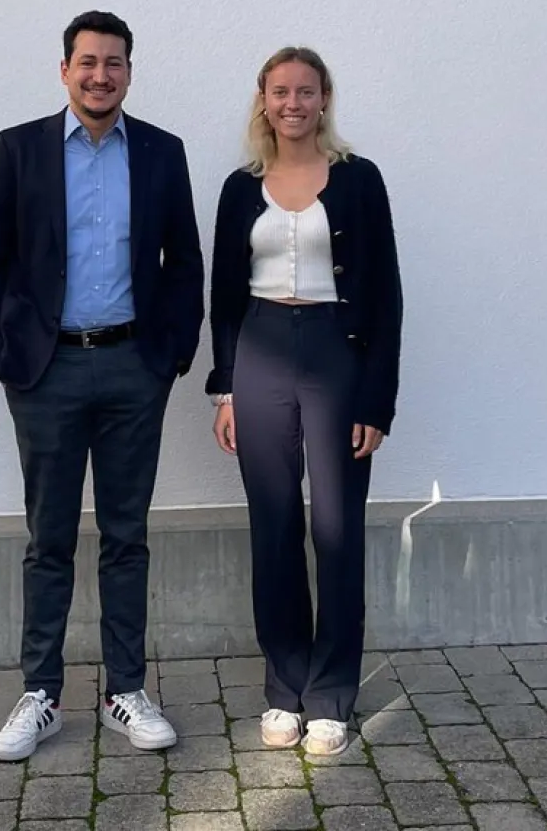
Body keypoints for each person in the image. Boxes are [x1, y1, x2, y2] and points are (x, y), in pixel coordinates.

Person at [0, 10, 205, 761]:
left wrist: (172, 356)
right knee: (50, 539)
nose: (101, 76)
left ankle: (124, 690)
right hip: (48, 372)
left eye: (114, 63)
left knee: (127, 536)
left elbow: (184, 261)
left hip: (134, 367)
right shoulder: (19, 149)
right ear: (64, 69)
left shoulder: (162, 152)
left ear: (130, 72)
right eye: (88, 62)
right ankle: (41, 693)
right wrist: (4, 357)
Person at [206, 46, 402, 757]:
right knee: (275, 526)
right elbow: (224, 296)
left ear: (325, 99)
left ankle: (331, 697)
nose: (293, 103)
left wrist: (376, 401)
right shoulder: (240, 187)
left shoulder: (359, 179)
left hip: (334, 354)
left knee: (337, 528)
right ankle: (284, 688)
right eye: (281, 91)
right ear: (263, 99)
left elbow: (386, 294)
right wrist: (226, 388)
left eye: (306, 91)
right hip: (260, 352)